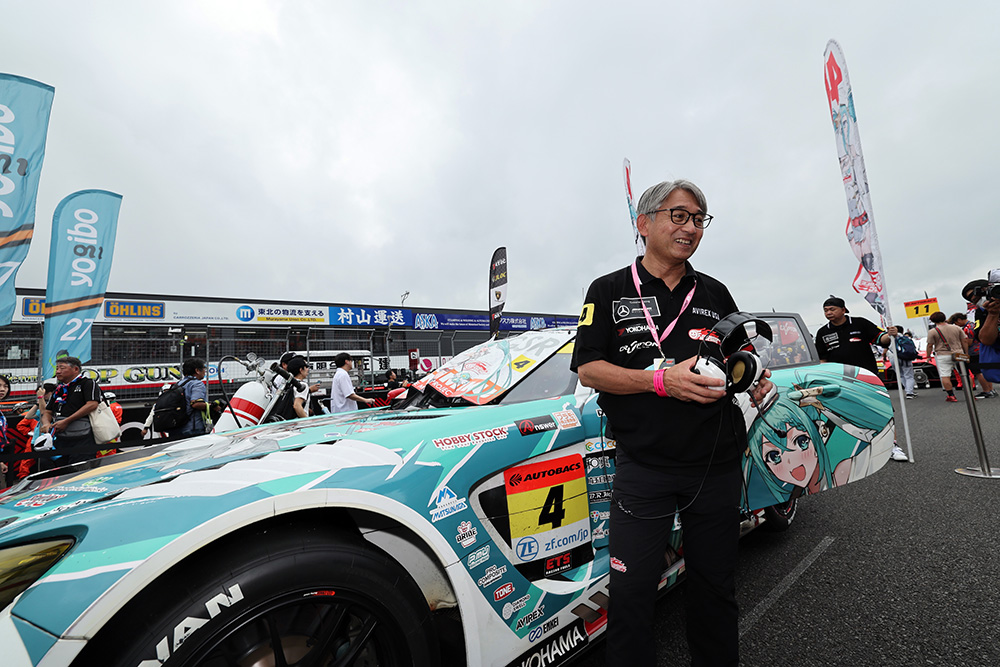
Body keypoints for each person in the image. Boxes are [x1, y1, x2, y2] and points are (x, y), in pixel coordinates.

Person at [571, 178, 773, 667]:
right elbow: (588, 369)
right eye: (678, 215)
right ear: (644, 224)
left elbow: (739, 357)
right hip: (644, 467)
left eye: (699, 219)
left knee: (714, 589)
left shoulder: (715, 291)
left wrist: (754, 379)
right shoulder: (608, 289)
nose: (690, 227)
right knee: (631, 594)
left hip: (715, 463)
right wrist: (660, 381)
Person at [41, 357, 102, 466]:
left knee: (80, 470)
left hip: (82, 437)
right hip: (60, 438)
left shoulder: (87, 383)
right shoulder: (58, 389)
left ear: (75, 369)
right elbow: (48, 411)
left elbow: (92, 404)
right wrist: (46, 423)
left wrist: (67, 421)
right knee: (60, 469)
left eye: (62, 368)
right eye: (57, 368)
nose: (58, 371)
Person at [813, 296, 898, 375]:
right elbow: (822, 359)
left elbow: (880, 338)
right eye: (826, 310)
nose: (828, 313)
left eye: (832, 309)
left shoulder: (860, 323)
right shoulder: (822, 332)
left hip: (866, 373)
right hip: (840, 377)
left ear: (843, 310)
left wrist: (890, 335)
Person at [958, 283, 997, 399]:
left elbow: (969, 341)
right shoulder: (982, 313)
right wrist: (992, 314)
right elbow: (985, 339)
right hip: (982, 351)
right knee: (982, 371)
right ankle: (989, 390)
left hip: (974, 352)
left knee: (978, 372)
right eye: (974, 299)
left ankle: (988, 390)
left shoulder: (967, 328)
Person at [925, 311, 968, 402]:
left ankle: (951, 395)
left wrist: (928, 356)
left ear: (933, 321)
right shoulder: (956, 328)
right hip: (959, 353)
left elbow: (930, 345)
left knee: (945, 375)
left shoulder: (932, 331)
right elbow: (964, 340)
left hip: (943, 354)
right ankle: (970, 393)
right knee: (965, 373)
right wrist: (966, 353)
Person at [174, 358, 209, 436]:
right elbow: (196, 404)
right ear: (197, 370)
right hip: (193, 428)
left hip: (176, 428)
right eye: (204, 368)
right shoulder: (197, 384)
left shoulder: (177, 384)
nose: (205, 371)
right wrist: (211, 406)